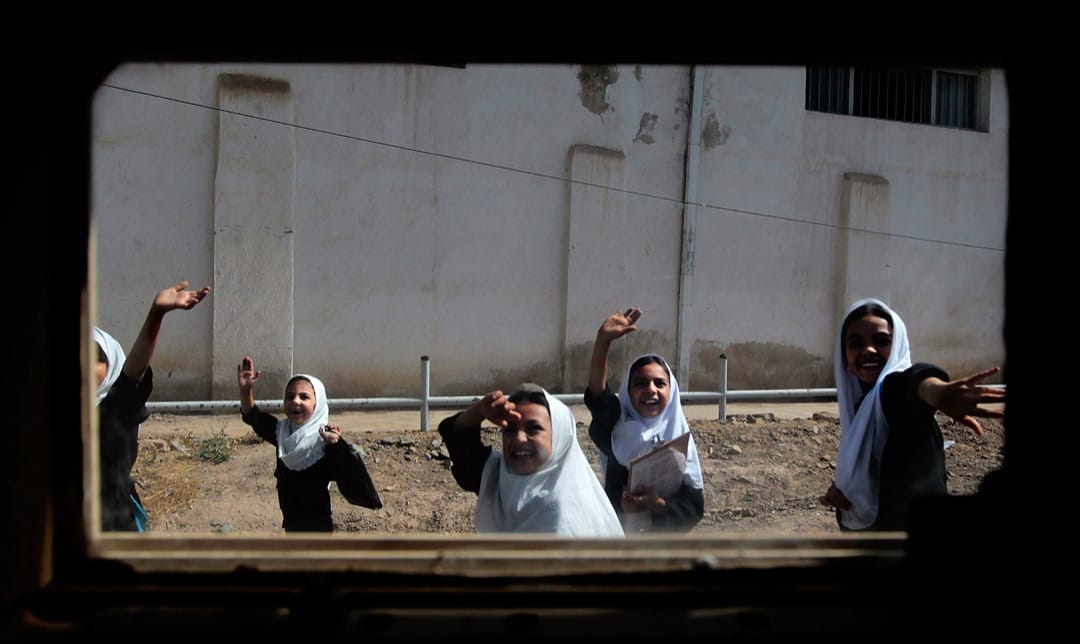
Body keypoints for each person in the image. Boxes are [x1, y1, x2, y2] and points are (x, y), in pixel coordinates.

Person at [818, 297, 1006, 531]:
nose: (868, 349)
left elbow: (911, 383)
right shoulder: (860, 404)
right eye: (856, 343)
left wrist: (936, 391)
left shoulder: (892, 390)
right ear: (843, 354)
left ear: (897, 345)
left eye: (882, 341)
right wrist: (847, 492)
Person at [96, 280, 212, 532]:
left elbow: (134, 370)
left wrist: (156, 314)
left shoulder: (115, 408)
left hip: (109, 524)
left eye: (95, 358)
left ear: (111, 363)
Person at [438, 383, 623, 537]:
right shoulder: (499, 475)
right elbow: (459, 440)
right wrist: (479, 411)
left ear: (559, 436)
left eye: (533, 429)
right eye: (510, 429)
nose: (519, 438)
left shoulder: (569, 512)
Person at [584, 308, 705, 533]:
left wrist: (655, 504)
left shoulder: (678, 434)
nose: (651, 390)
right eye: (640, 383)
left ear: (672, 391)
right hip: (616, 537)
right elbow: (598, 393)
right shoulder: (615, 425)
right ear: (628, 391)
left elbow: (693, 508)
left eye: (660, 383)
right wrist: (603, 342)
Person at [236, 355, 381, 532]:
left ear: (318, 403)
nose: (296, 401)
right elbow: (254, 417)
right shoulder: (281, 432)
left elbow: (348, 476)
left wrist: (336, 444)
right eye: (290, 396)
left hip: (318, 528)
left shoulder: (324, 440)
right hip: (290, 523)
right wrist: (245, 391)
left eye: (304, 397)